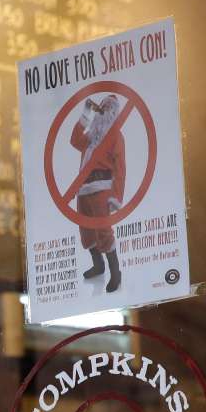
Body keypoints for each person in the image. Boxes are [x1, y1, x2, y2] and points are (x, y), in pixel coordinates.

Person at [69, 95, 125, 293]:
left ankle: (115, 272)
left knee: (103, 230)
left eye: (108, 108)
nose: (104, 110)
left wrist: (116, 197)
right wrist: (86, 112)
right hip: (83, 187)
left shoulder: (116, 136)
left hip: (102, 187)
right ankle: (98, 264)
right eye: (102, 107)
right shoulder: (92, 135)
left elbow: (120, 168)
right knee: (85, 228)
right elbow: (75, 140)